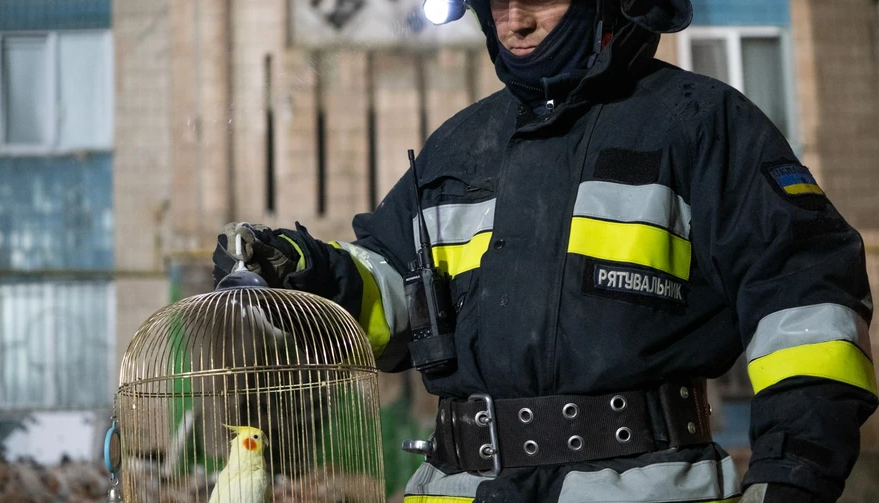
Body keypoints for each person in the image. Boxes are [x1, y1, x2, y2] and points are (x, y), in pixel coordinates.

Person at [212, 0, 878, 501]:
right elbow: (394, 296)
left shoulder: (702, 125)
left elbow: (809, 313)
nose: (515, 20)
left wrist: (789, 483)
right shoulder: (456, 146)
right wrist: (307, 271)